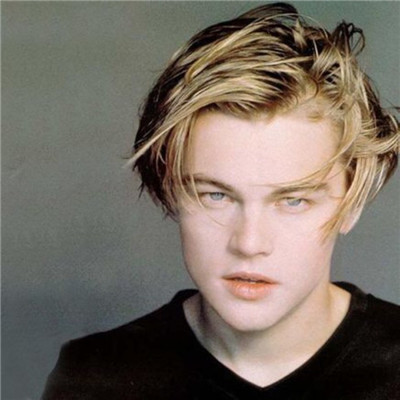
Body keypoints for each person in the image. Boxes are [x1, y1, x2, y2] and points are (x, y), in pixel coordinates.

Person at [42, 3, 399, 399]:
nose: (249, 243)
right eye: (216, 195)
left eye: (293, 201)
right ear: (171, 192)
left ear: (351, 204)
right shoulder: (90, 379)